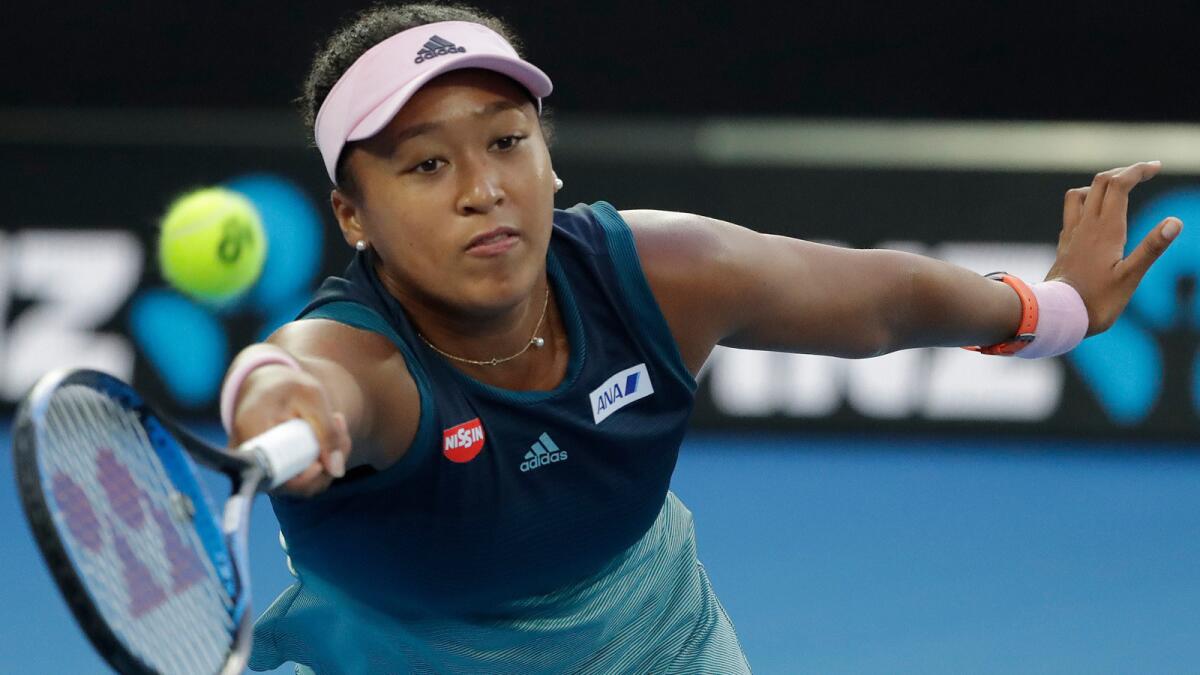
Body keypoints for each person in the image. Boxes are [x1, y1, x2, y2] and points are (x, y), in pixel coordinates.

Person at [225, 3, 1181, 673]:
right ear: (352, 216)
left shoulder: (663, 272)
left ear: (550, 161)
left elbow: (880, 298)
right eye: (427, 163)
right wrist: (276, 400)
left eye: (508, 141)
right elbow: (297, 375)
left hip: (656, 643)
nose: (484, 187)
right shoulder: (366, 363)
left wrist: (1053, 312)